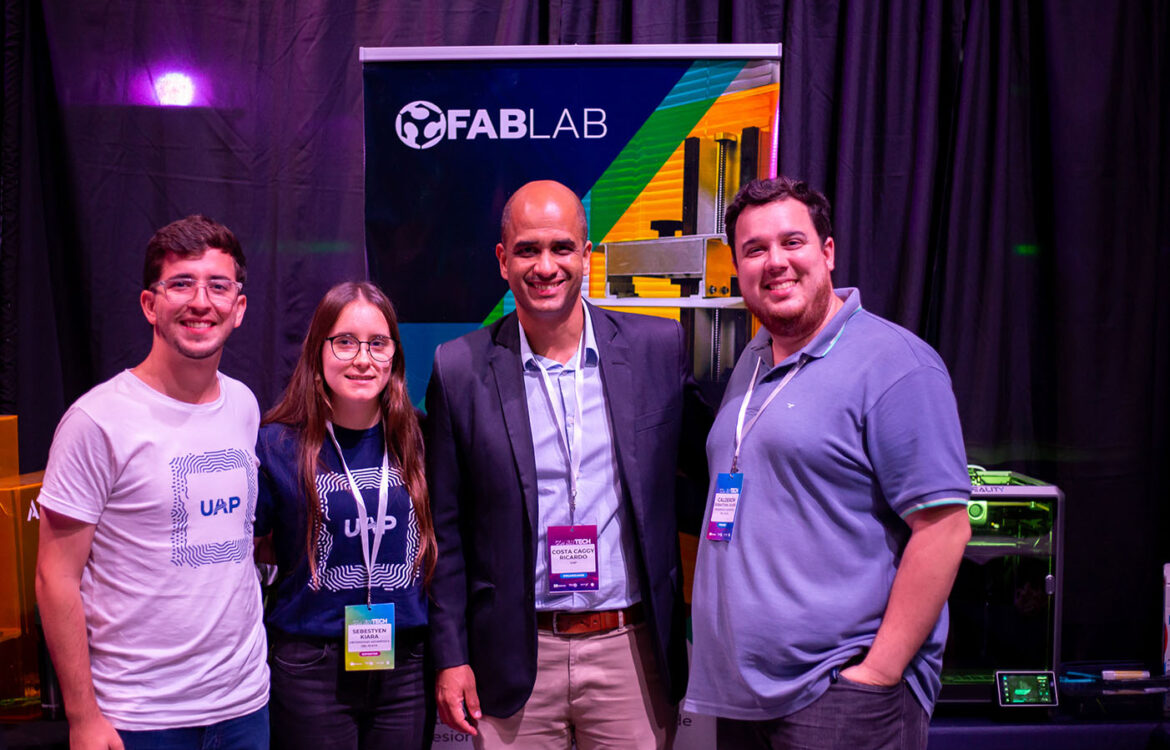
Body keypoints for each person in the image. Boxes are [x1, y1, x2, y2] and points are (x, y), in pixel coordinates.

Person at [684, 176, 973, 750]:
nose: (775, 262)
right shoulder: (752, 362)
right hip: (745, 699)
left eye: (792, 242)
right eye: (755, 249)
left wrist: (878, 673)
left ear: (828, 252)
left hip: (840, 695)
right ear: (737, 267)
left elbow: (944, 528)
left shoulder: (896, 364)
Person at [425, 179, 708, 749]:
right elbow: (446, 531)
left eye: (560, 248)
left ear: (586, 253)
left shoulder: (657, 348)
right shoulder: (460, 369)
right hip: (515, 656)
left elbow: (714, 463)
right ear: (503, 261)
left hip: (630, 651)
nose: (545, 266)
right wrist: (451, 656)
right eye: (527, 250)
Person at [35, 215, 268, 749]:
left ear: (239, 307)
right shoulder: (96, 422)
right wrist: (83, 717)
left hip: (244, 707)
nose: (200, 301)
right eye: (181, 283)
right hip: (140, 717)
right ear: (149, 305)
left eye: (218, 285)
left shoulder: (245, 407)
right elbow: (55, 579)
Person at [255, 281, 437, 749]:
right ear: (319, 350)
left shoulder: (423, 440)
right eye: (345, 342)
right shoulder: (277, 445)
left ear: (394, 354)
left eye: (378, 343)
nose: (362, 358)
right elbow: (252, 548)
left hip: (405, 668)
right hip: (309, 668)